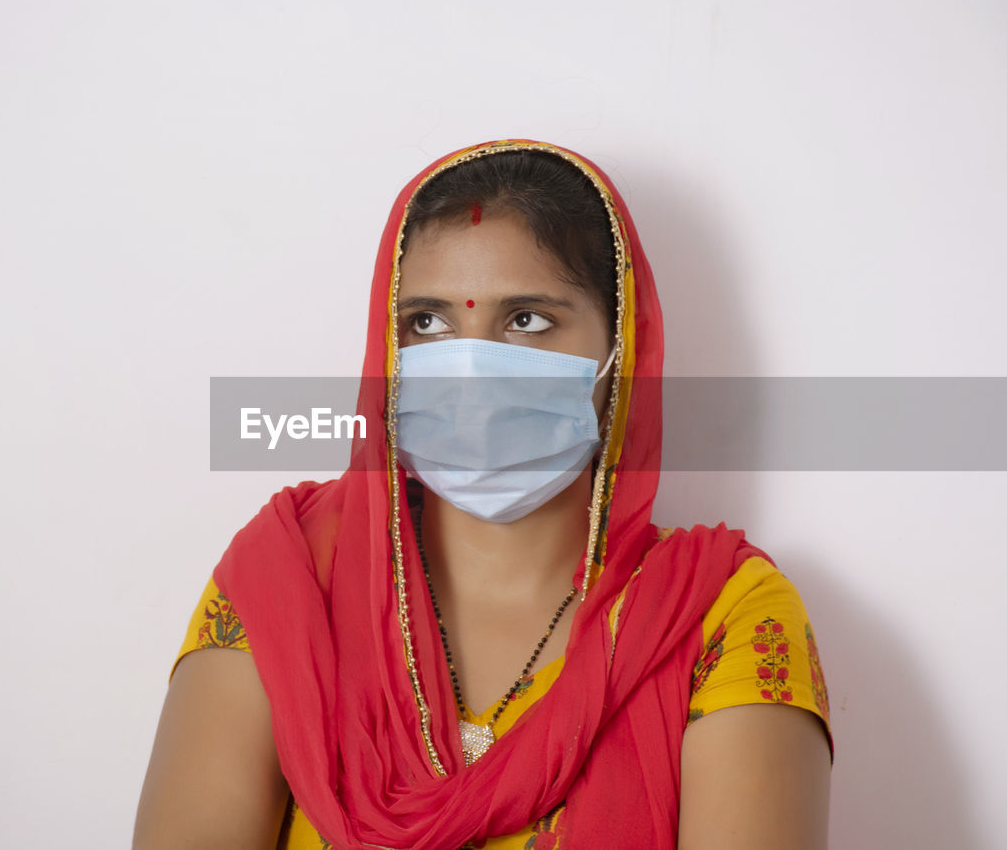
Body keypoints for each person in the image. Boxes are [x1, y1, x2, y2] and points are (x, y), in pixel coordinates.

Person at [133, 139, 833, 849]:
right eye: (427, 324)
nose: (467, 369)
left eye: (526, 319)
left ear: (619, 348)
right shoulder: (288, 575)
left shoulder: (716, 615)